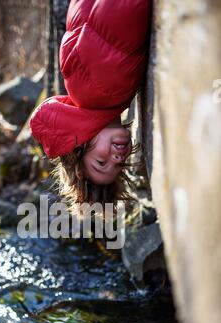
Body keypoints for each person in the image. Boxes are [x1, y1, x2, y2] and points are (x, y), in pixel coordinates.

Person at [29, 0, 152, 213]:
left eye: (101, 162)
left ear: (80, 145)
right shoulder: (91, 94)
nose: (117, 159)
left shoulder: (105, 89)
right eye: (118, 166)